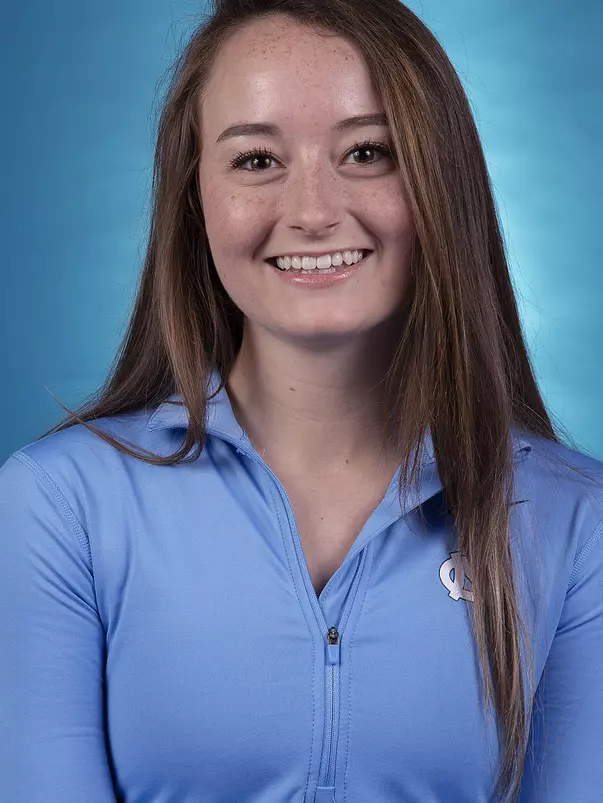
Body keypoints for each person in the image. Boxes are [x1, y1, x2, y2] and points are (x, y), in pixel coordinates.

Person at [1, 1, 602, 801]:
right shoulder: (57, 504)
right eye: (256, 160)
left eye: (367, 152)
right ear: (193, 199)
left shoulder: (577, 520)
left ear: (440, 182)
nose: (313, 212)